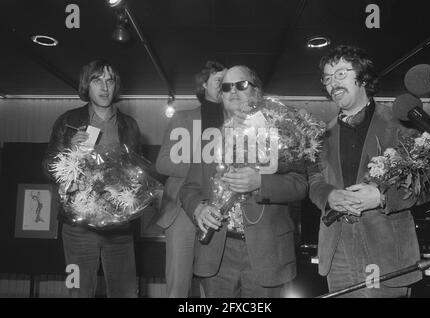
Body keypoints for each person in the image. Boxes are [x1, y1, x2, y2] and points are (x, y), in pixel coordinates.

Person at [179, 65, 309, 298]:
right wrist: (198, 209)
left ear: (257, 91)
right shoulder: (210, 138)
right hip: (217, 254)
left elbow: (300, 184)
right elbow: (189, 189)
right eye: (226, 86)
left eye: (242, 84)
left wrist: (261, 182)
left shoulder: (282, 131)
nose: (233, 91)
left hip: (267, 254)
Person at [308, 45, 423, 297]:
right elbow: (314, 180)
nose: (332, 84)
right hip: (337, 252)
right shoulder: (320, 134)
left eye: (340, 74)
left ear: (362, 77)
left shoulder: (400, 124)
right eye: (327, 78)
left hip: (387, 251)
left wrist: (382, 196)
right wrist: (328, 196)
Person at [43, 59, 141, 297]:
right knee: (78, 291)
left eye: (110, 80)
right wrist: (69, 150)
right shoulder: (68, 121)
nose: (105, 87)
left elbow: (136, 173)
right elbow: (48, 167)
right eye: (97, 80)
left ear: (117, 86)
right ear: (87, 85)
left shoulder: (129, 126)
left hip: (119, 226)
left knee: (126, 292)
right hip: (78, 227)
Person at [156, 61, 227, 297]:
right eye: (219, 80)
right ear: (204, 84)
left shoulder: (238, 120)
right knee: (178, 287)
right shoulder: (182, 118)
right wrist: (203, 166)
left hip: (222, 210)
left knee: (217, 286)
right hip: (181, 208)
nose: (224, 85)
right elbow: (162, 162)